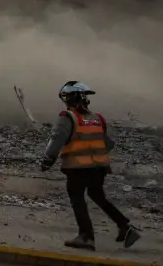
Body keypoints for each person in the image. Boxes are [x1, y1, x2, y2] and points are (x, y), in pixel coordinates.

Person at [40, 80, 141, 250]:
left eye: (68, 96)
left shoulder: (68, 117)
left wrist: (47, 160)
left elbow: (56, 140)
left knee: (77, 199)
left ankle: (86, 236)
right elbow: (107, 144)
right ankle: (126, 227)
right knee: (97, 196)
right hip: (98, 168)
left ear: (72, 98)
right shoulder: (96, 119)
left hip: (77, 168)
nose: (66, 100)